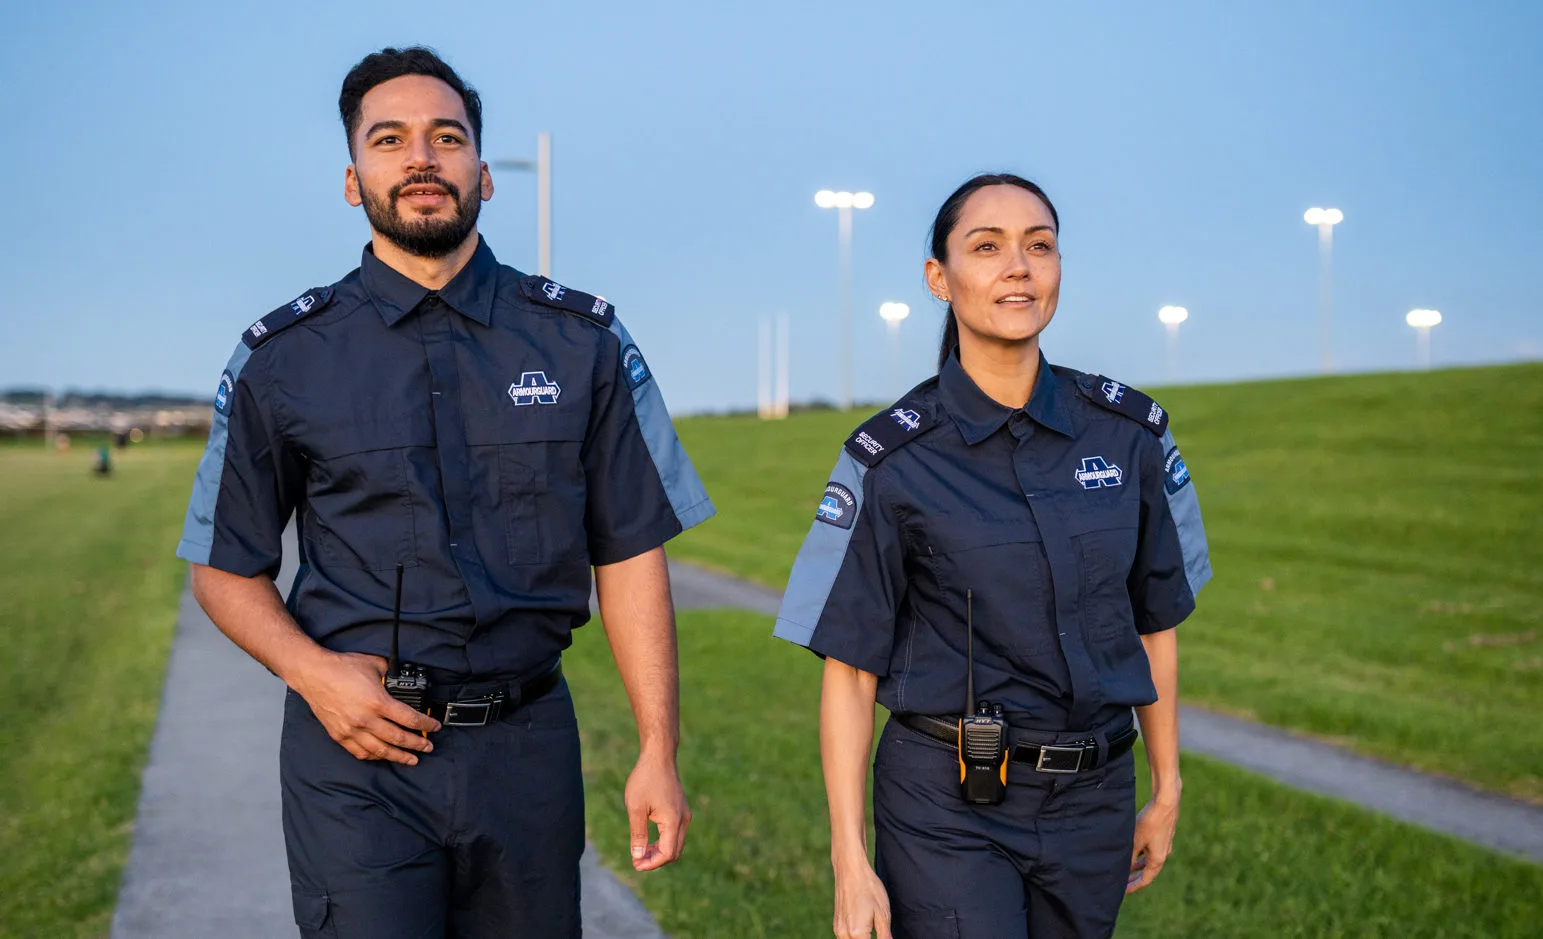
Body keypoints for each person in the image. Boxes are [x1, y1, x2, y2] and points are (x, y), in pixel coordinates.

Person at [176, 47, 714, 938]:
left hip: (527, 748)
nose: (421, 158)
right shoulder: (283, 359)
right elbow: (224, 570)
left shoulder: (581, 342)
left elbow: (628, 553)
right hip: (355, 754)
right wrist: (314, 675)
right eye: (390, 141)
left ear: (483, 175)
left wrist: (658, 748)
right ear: (354, 180)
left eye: (446, 138)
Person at [774, 173, 1210, 939]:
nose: (1018, 266)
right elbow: (848, 667)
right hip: (948, 809)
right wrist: (850, 857)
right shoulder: (891, 457)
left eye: (1038, 246)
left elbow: (1154, 623)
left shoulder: (1129, 435)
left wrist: (1165, 785)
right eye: (987, 247)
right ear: (938, 279)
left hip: (1094, 801)